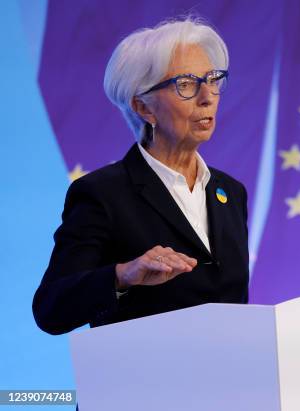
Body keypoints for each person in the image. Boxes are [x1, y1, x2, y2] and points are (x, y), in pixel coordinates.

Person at [32, 17, 249, 335]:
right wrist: (124, 274)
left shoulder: (230, 191)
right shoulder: (102, 194)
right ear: (144, 108)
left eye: (213, 79)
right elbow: (51, 307)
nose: (208, 96)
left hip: (232, 379)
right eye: (187, 84)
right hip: (145, 380)